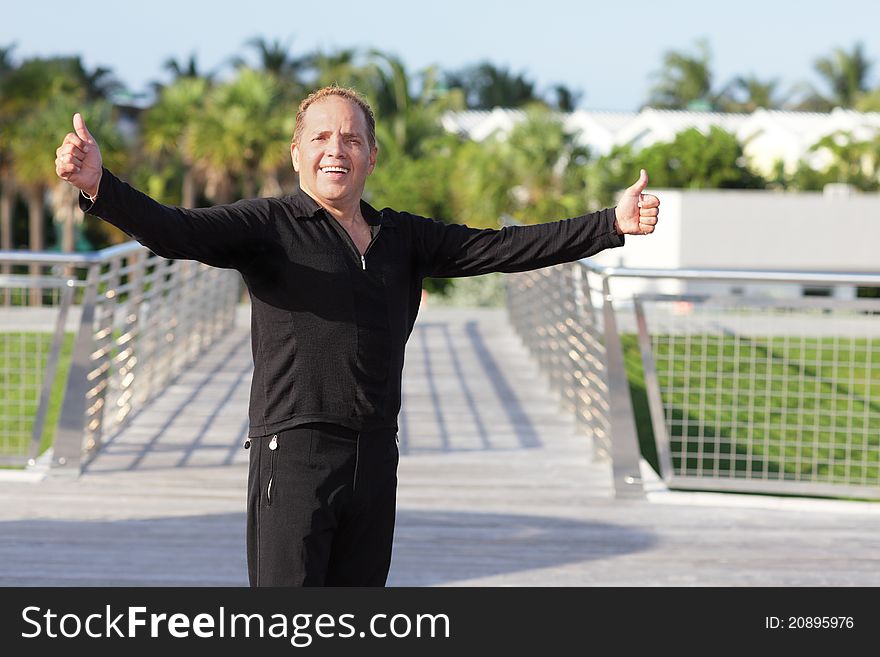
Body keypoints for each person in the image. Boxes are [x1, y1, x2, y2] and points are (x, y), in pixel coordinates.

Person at [55, 86, 660, 587]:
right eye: (319, 137)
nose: (334, 150)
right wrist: (99, 186)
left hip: (376, 454)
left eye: (351, 138)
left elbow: (503, 248)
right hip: (292, 453)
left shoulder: (404, 238)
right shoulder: (269, 225)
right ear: (296, 155)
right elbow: (175, 231)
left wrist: (610, 224)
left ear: (372, 156)